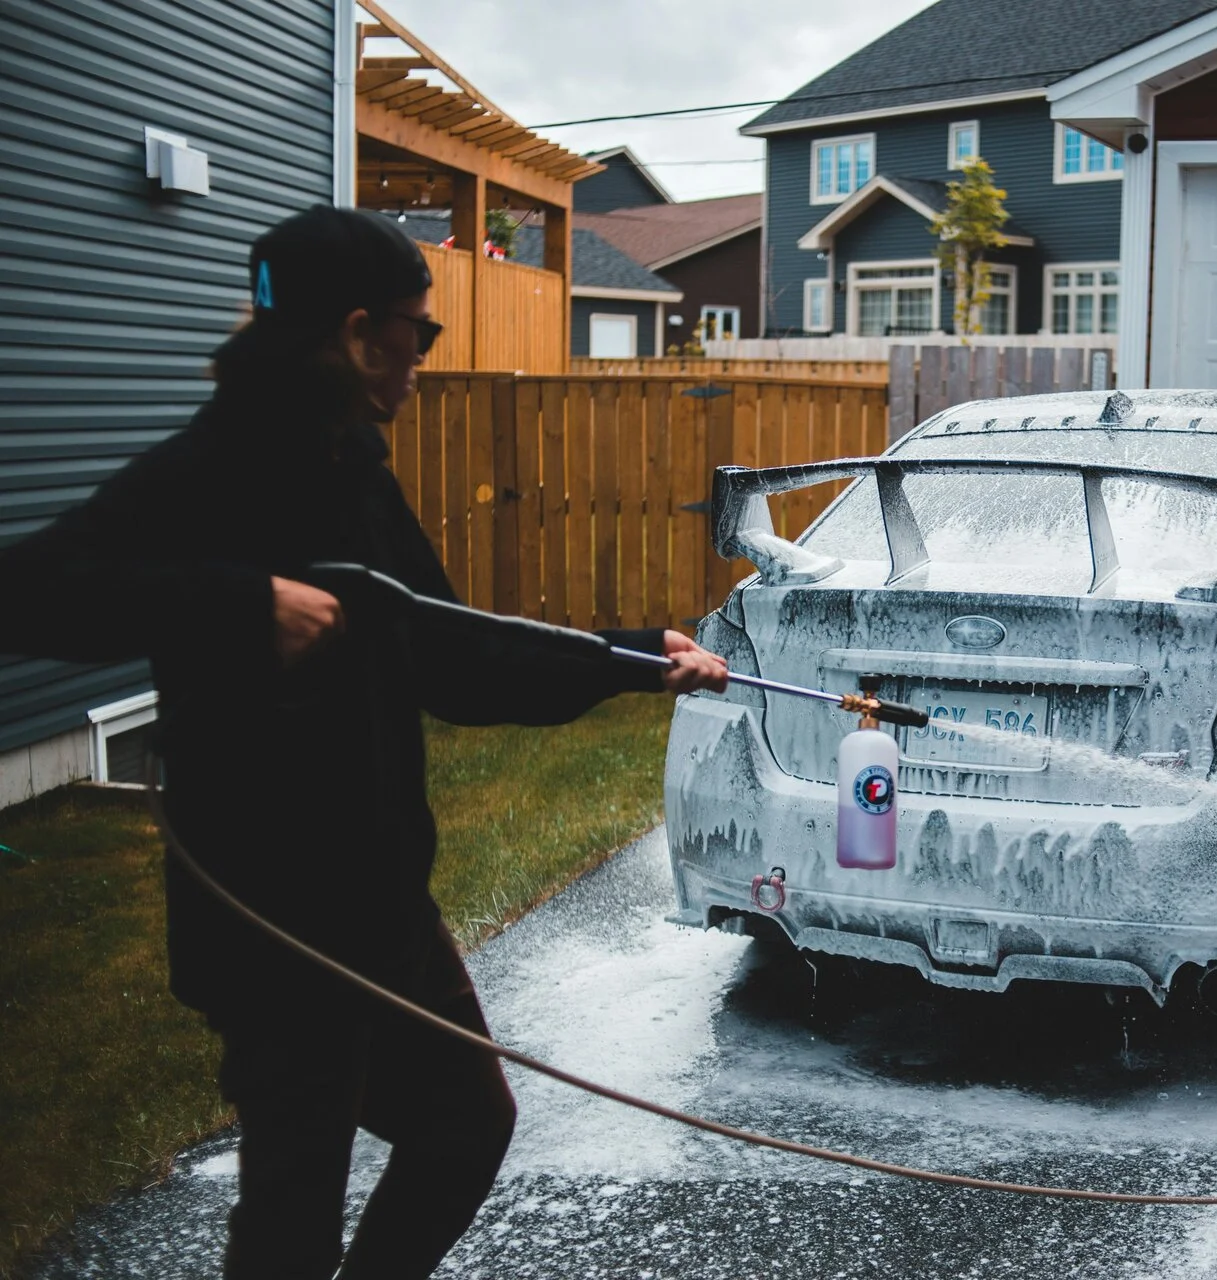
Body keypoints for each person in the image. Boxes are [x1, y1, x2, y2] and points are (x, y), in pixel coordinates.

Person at [0, 205, 728, 1279]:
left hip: (383, 902)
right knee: (296, 1194)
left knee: (464, 1126)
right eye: (420, 334)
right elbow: (29, 591)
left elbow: (451, 657)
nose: (423, 361)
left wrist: (629, 659)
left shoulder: (353, 469)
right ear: (355, 332)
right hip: (273, 921)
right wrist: (239, 602)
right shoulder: (205, 470)